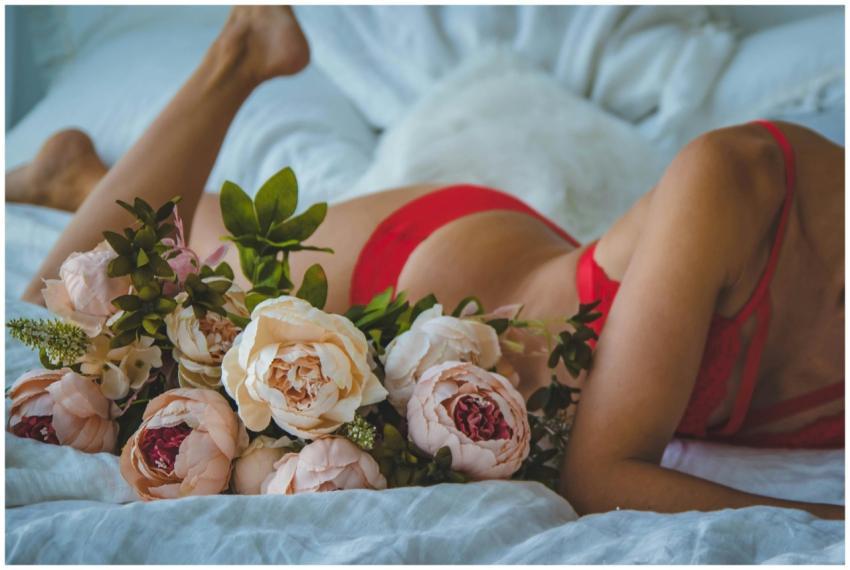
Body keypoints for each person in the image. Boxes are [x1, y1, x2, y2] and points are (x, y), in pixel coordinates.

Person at [8, 6, 844, 519]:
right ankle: (246, 47)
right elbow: (598, 476)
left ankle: (77, 173)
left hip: (522, 283)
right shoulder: (738, 179)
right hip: (440, 285)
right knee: (88, 303)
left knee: (211, 254)